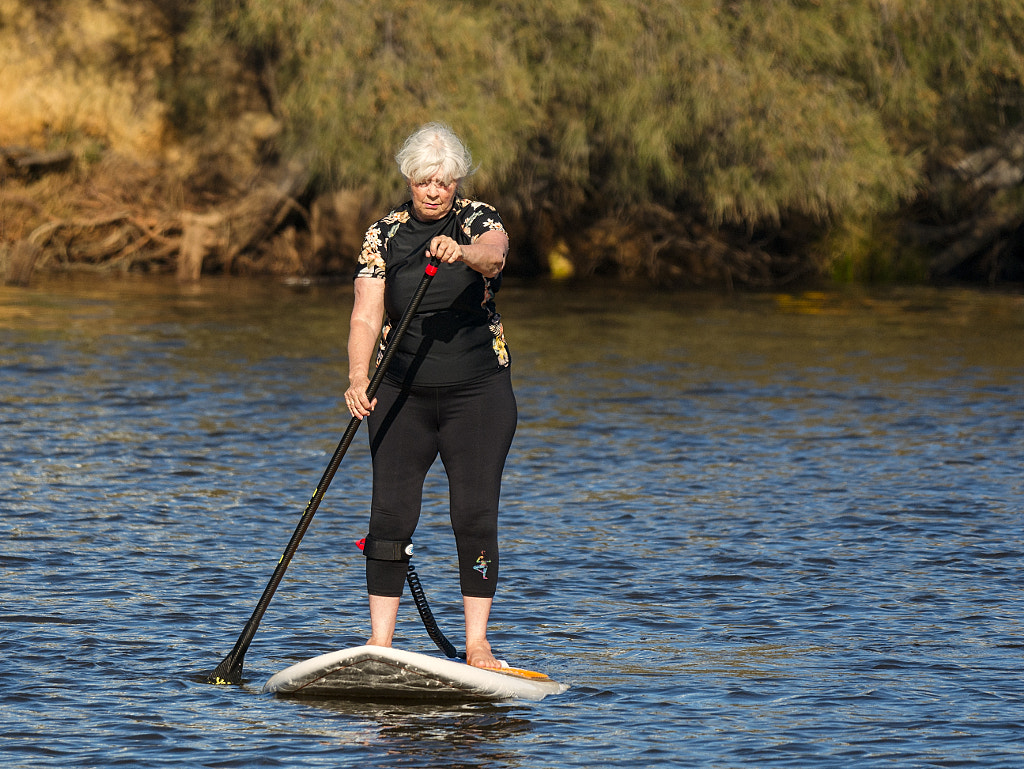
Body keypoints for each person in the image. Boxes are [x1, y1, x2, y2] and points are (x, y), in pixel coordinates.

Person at [344, 123, 516, 669]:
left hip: (478, 394)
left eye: (443, 181)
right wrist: (357, 377)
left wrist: (462, 252)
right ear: (409, 180)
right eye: (423, 182)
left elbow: (495, 256)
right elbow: (366, 314)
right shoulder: (384, 235)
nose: (434, 192)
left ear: (457, 180)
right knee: (390, 516)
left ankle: (478, 644)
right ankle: (380, 643)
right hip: (399, 394)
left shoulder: (478, 220)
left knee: (474, 516)